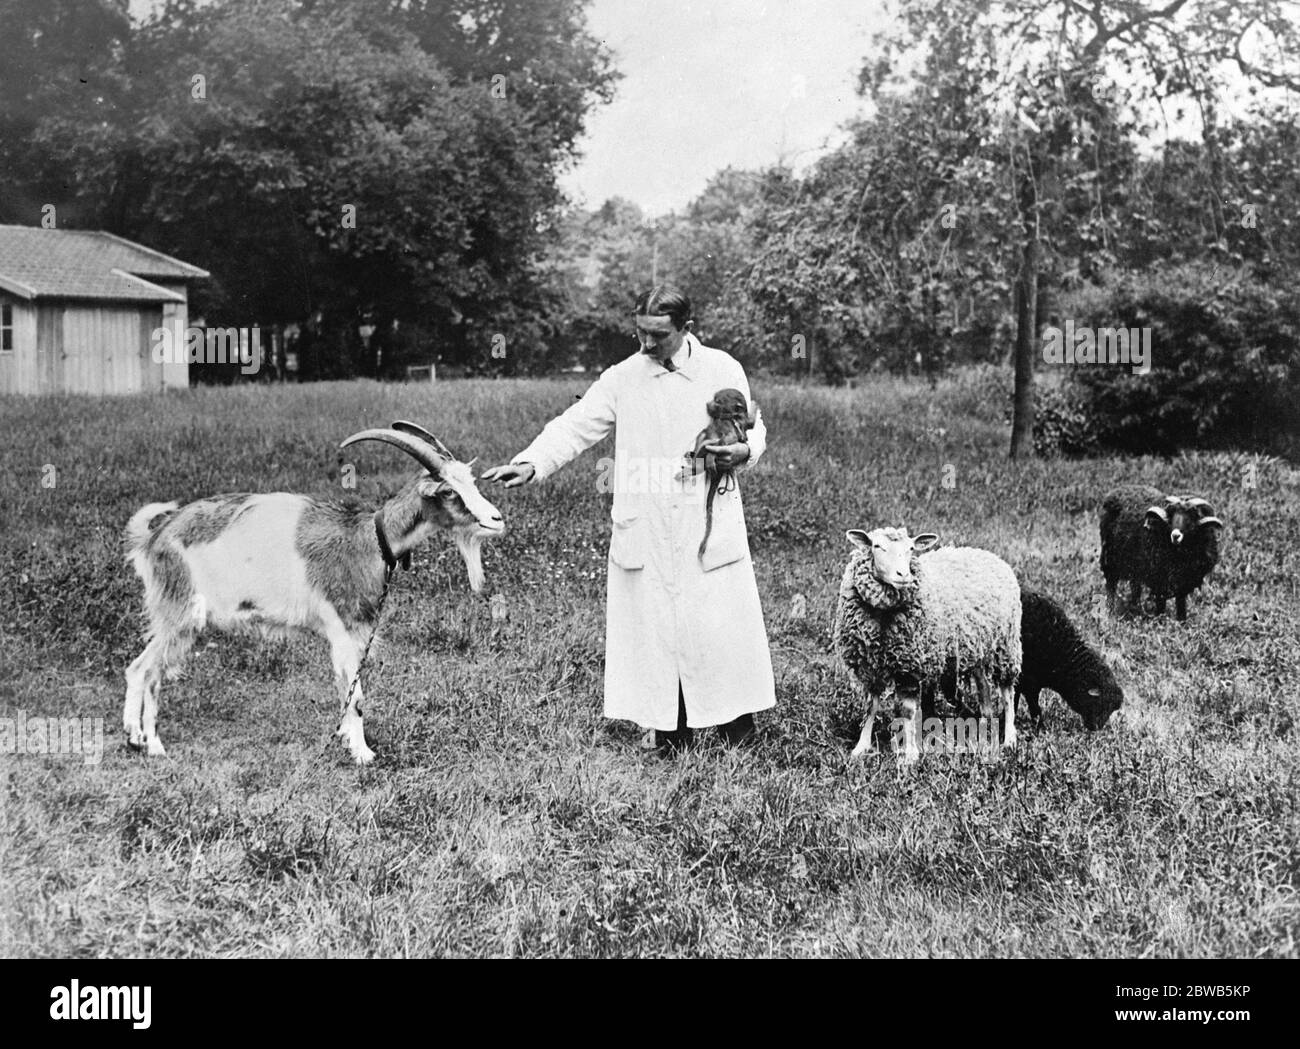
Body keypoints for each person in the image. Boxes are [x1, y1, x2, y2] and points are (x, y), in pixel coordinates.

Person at [482, 284, 776, 752]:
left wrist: (743, 451)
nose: (646, 345)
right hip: (648, 520)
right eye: (640, 333)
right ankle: (670, 731)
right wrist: (533, 461)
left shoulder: (722, 368)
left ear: (686, 329)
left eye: (658, 335)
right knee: (657, 626)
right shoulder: (623, 377)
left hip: (706, 517)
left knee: (719, 621)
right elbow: (577, 424)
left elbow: (752, 427)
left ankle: (739, 732)